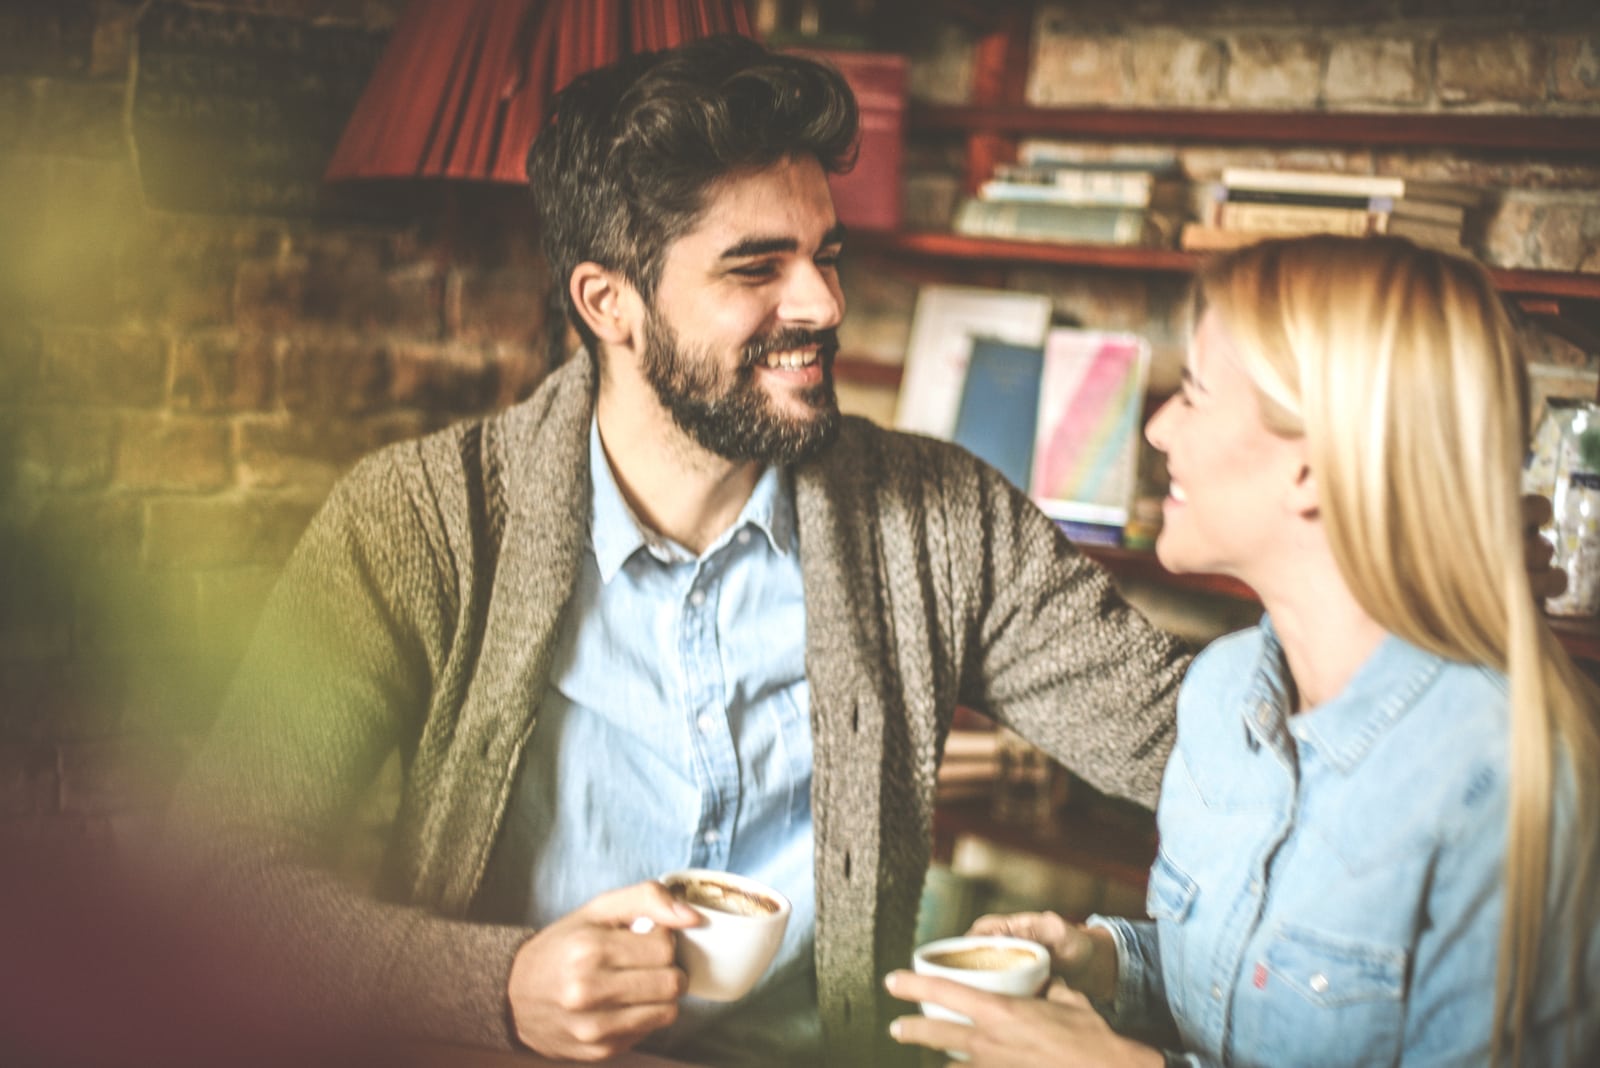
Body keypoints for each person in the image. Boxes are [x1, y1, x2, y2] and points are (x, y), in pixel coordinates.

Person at [165, 35, 1192, 1067]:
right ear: (607, 302)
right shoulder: (416, 523)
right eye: (757, 268)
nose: (823, 305)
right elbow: (217, 885)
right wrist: (501, 986)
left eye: (825, 255)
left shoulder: (938, 520)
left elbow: (1195, 753)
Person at [885, 235, 1600, 1067]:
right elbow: (1243, 990)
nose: (1156, 426)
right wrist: (1106, 959)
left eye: (1192, 393)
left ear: (1314, 469)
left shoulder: (1505, 780)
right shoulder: (1220, 694)